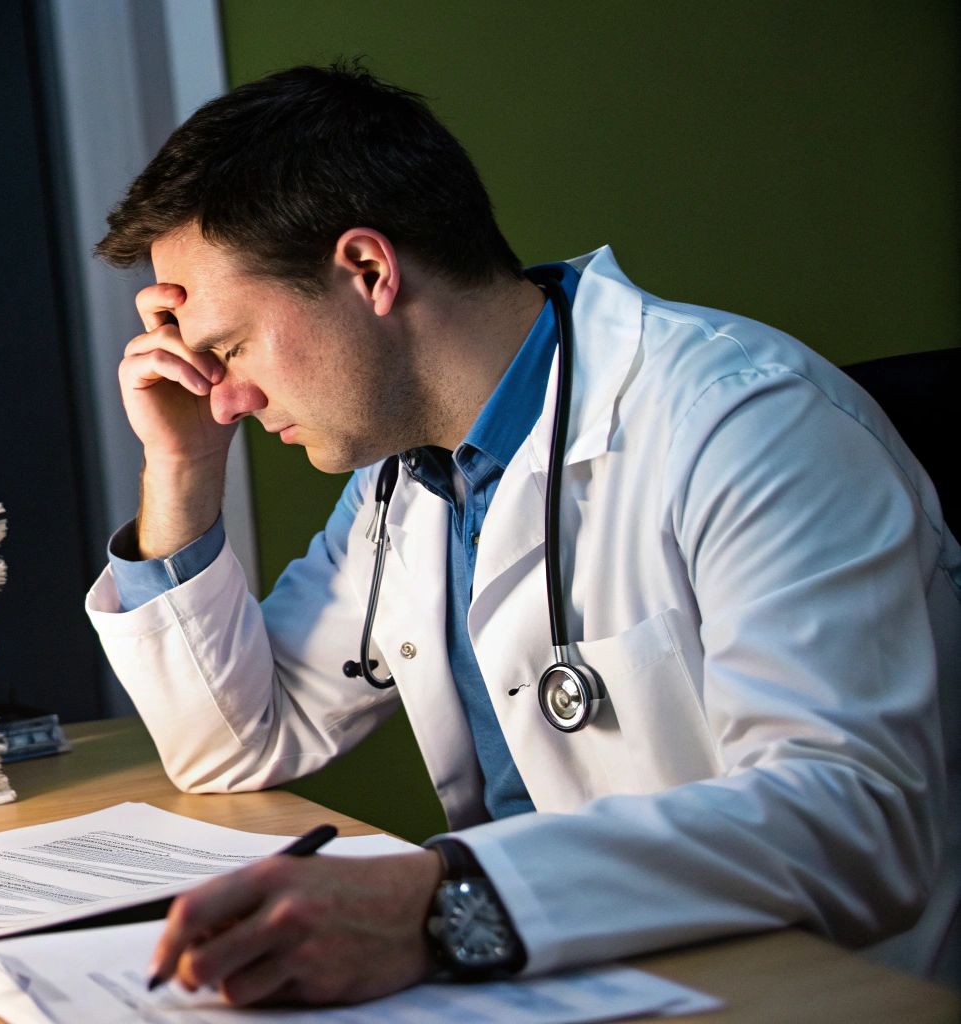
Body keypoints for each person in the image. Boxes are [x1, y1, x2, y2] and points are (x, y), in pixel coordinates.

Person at [84, 61, 960, 1006]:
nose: (228, 397)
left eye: (228, 348)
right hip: (570, 983)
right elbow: (235, 744)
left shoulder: (744, 423)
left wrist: (434, 902)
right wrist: (183, 468)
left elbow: (860, 824)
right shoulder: (406, 482)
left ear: (368, 270)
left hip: (799, 993)